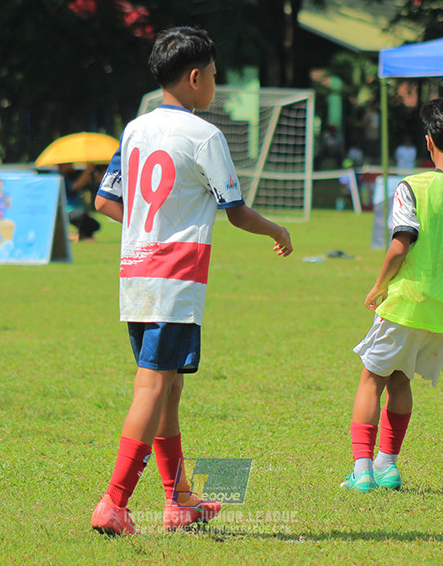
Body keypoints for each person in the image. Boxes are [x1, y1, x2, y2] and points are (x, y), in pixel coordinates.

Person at [89, 27, 293, 536]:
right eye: (215, 77)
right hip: (175, 276)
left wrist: (146, 228)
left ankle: (178, 500)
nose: (216, 88)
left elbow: (105, 201)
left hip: (135, 272)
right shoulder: (205, 136)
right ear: (195, 76)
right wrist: (277, 230)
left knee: (169, 386)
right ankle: (113, 503)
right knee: (153, 385)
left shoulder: (135, 128)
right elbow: (236, 211)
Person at [341, 97, 443, 494]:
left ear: (428, 143)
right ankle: (388, 467)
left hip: (406, 301)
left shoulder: (412, 186)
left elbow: (399, 244)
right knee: (401, 378)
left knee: (370, 380)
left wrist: (378, 286)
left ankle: (362, 473)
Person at [57, 162, 101, 241]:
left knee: (94, 225)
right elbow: (75, 186)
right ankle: (82, 235)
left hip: (77, 210)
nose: (71, 165)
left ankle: (82, 236)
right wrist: (88, 170)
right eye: (69, 163)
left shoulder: (71, 175)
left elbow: (88, 182)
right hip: (68, 210)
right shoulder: (61, 178)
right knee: (84, 219)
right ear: (62, 165)